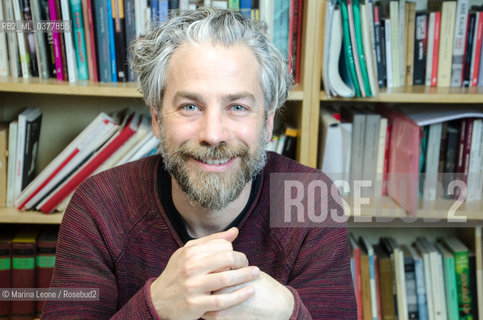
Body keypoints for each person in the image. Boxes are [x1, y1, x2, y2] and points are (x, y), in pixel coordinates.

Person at [42, 8, 356, 320]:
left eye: (237, 106)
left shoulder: (311, 200)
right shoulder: (99, 206)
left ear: (268, 121)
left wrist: (288, 310)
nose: (213, 135)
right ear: (156, 118)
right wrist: (156, 307)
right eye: (190, 106)